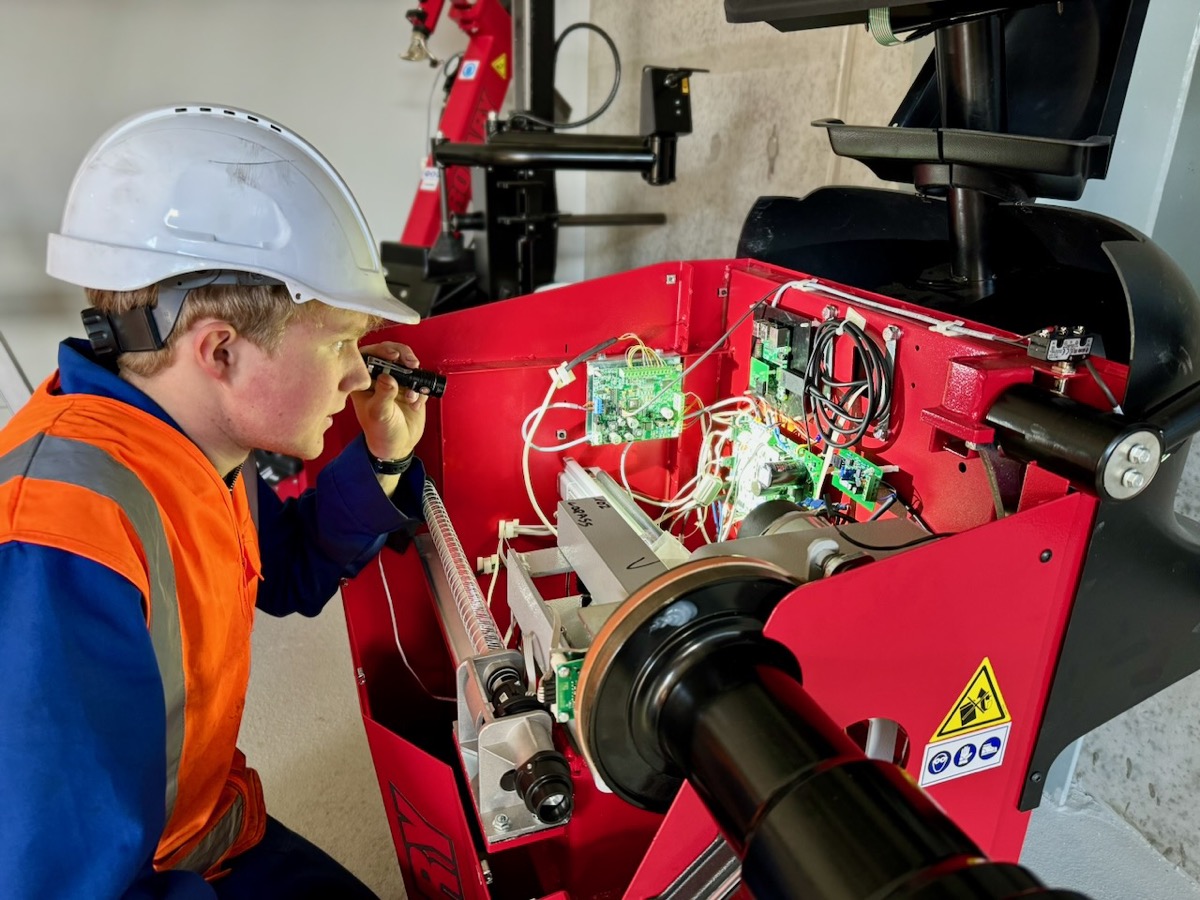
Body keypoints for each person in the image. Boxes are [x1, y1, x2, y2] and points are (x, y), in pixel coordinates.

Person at [0, 105, 427, 898]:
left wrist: (383, 459)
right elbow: (54, 879)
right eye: (339, 342)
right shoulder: (59, 537)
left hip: (212, 829)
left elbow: (287, 573)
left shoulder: (196, 443)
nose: (360, 375)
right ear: (220, 350)